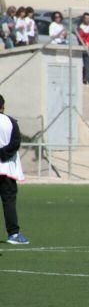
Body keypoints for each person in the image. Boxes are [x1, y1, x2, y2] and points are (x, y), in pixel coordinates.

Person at [0, 94, 29, 245]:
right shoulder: (10, 122)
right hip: (7, 168)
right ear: (2, 106)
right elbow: (15, 143)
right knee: (9, 201)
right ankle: (13, 234)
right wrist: (3, 155)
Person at [76, 13, 89, 85]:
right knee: (87, 64)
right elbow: (80, 37)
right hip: (83, 48)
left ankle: (84, 77)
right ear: (83, 19)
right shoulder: (81, 27)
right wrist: (85, 43)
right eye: (86, 18)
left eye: (88, 18)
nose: (87, 20)